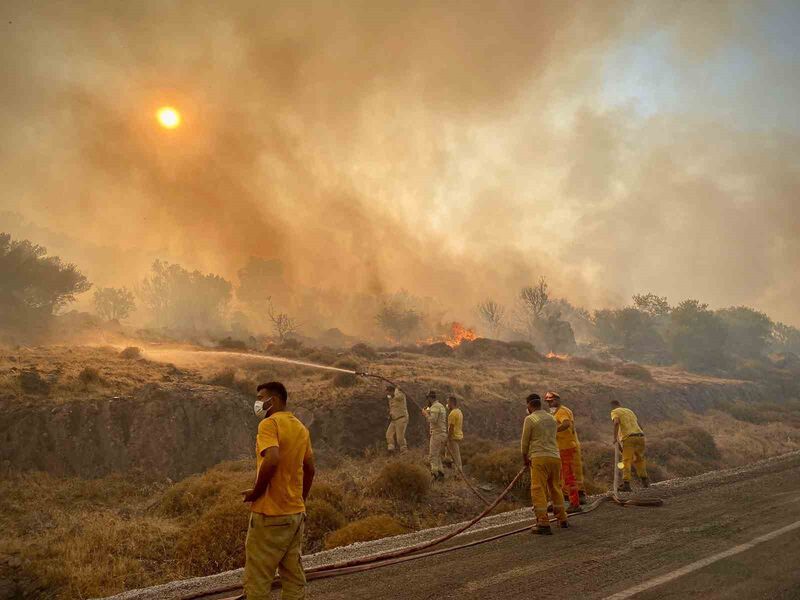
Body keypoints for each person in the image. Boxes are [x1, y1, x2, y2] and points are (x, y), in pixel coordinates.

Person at [242, 381, 315, 600]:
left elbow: (272, 459)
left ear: (272, 400)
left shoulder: (269, 424)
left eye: (260, 398)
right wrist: (299, 500)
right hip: (295, 515)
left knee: (258, 579)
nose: (257, 403)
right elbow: (310, 469)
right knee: (293, 577)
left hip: (269, 514)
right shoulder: (300, 427)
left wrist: (256, 493)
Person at [520, 393, 568, 534]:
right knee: (555, 488)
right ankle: (562, 519)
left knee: (538, 489)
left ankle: (543, 523)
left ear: (529, 405)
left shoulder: (530, 419)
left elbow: (524, 442)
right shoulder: (552, 418)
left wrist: (525, 459)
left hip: (539, 458)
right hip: (555, 457)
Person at [544, 391, 581, 513]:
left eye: (552, 401)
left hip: (566, 448)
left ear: (558, 400)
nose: (550, 403)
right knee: (558, 477)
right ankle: (557, 503)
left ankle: (575, 503)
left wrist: (553, 431)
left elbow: (566, 424)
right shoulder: (557, 412)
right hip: (560, 448)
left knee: (568, 476)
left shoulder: (562, 411)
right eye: (548, 402)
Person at [610, 400, 648, 492]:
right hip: (640, 436)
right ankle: (645, 481)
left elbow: (616, 423)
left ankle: (626, 484)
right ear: (620, 404)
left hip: (629, 438)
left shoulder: (615, 411)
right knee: (640, 459)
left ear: (613, 406)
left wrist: (615, 438)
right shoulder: (629, 411)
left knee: (626, 460)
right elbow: (639, 425)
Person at [423, 390, 447, 481]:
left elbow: (433, 420)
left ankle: (434, 474)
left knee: (432, 455)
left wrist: (425, 414)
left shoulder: (435, 407)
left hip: (437, 434)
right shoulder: (441, 406)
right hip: (442, 434)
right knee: (437, 455)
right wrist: (428, 411)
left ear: (430, 398)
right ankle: (441, 473)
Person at [385, 384, 409, 453]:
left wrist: (397, 389)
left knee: (400, 437)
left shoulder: (400, 396)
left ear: (392, 391)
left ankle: (404, 450)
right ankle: (391, 449)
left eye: (388, 392)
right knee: (388, 434)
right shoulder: (390, 397)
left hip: (401, 418)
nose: (387, 394)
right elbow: (392, 406)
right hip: (394, 420)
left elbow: (398, 396)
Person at [446, 395, 464, 473]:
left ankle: (458, 473)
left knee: (456, 457)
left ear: (451, 402)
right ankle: (454, 471)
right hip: (458, 436)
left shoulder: (452, 414)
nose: (447, 404)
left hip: (453, 437)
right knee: (453, 456)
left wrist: (448, 438)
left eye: (448, 402)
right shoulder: (459, 412)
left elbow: (451, 427)